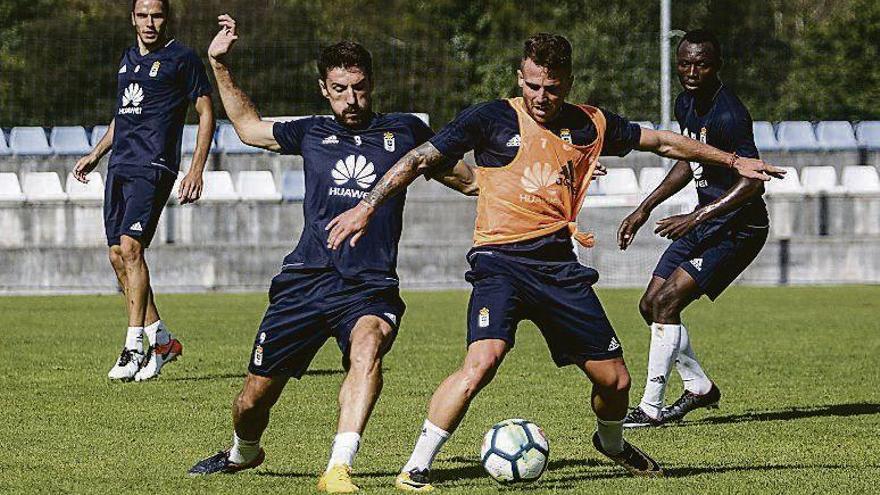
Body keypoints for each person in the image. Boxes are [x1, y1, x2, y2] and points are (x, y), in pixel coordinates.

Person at [325, 33, 784, 491]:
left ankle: (611, 443)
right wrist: (368, 205)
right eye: (532, 86)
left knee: (616, 381)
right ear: (519, 78)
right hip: (499, 263)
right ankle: (416, 466)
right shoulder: (490, 117)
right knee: (482, 360)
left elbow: (663, 143)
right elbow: (420, 158)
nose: (541, 98)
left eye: (552, 88)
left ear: (568, 83)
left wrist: (731, 160)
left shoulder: (590, 124)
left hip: (559, 269)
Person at [186, 15, 475, 494]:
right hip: (306, 281)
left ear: (372, 85)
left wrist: (545, 181)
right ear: (324, 88)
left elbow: (470, 181)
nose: (351, 100)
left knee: (367, 348)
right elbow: (248, 127)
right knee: (252, 400)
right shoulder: (311, 132)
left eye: (359, 88)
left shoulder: (405, 133)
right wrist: (218, 64)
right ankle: (243, 451)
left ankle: (338, 468)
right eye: (340, 89)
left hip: (370, 286)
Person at [618, 30, 770, 427]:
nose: (691, 71)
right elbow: (689, 161)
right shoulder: (687, 103)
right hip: (706, 222)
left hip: (739, 229)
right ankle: (699, 388)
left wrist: (694, 218)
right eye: (684, 63)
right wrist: (644, 208)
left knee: (667, 304)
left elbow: (752, 181)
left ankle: (650, 409)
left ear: (716, 66)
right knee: (650, 305)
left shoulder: (729, 114)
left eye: (700, 64)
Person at [74, 0, 214, 382]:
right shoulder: (127, 59)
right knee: (118, 255)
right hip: (120, 164)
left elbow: (206, 112)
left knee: (132, 248)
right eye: (142, 15)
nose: (149, 23)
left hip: (153, 166)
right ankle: (162, 340)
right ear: (133, 18)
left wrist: (196, 168)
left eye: (156, 15)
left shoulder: (181, 58)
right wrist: (96, 154)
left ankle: (134, 344)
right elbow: (122, 116)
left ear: (167, 18)